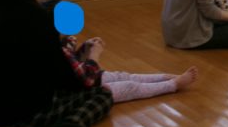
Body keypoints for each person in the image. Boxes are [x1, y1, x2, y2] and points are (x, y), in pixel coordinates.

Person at [61, 35, 198, 102]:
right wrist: (94, 56)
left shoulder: (65, 41)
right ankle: (173, 84)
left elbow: (74, 62)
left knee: (122, 76)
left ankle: (164, 77)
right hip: (76, 93)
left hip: (80, 80)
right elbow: (88, 79)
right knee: (130, 87)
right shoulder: (58, 50)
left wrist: (85, 48)